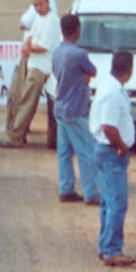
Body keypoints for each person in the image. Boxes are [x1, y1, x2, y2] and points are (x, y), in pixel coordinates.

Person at [92, 52, 136, 267]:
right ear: (129, 70)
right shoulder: (113, 93)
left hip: (107, 150)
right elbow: (108, 126)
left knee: (108, 202)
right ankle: (112, 249)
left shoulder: (110, 87)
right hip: (111, 151)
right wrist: (121, 145)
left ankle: (106, 245)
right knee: (117, 202)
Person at [51, 13, 99, 205]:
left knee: (64, 152)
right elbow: (93, 71)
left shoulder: (57, 52)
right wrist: (84, 78)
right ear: (77, 30)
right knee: (86, 152)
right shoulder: (79, 54)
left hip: (60, 107)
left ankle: (66, 188)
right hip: (76, 109)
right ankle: (91, 192)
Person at [1, 0, 57, 149]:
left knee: (27, 102)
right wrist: (27, 44)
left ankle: (16, 137)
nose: (38, 8)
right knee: (17, 96)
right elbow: (31, 35)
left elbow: (44, 46)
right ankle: (15, 132)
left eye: (41, 4)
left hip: (41, 67)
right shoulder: (39, 18)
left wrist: (29, 48)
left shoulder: (52, 21)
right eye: (35, 5)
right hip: (31, 62)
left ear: (48, 3)